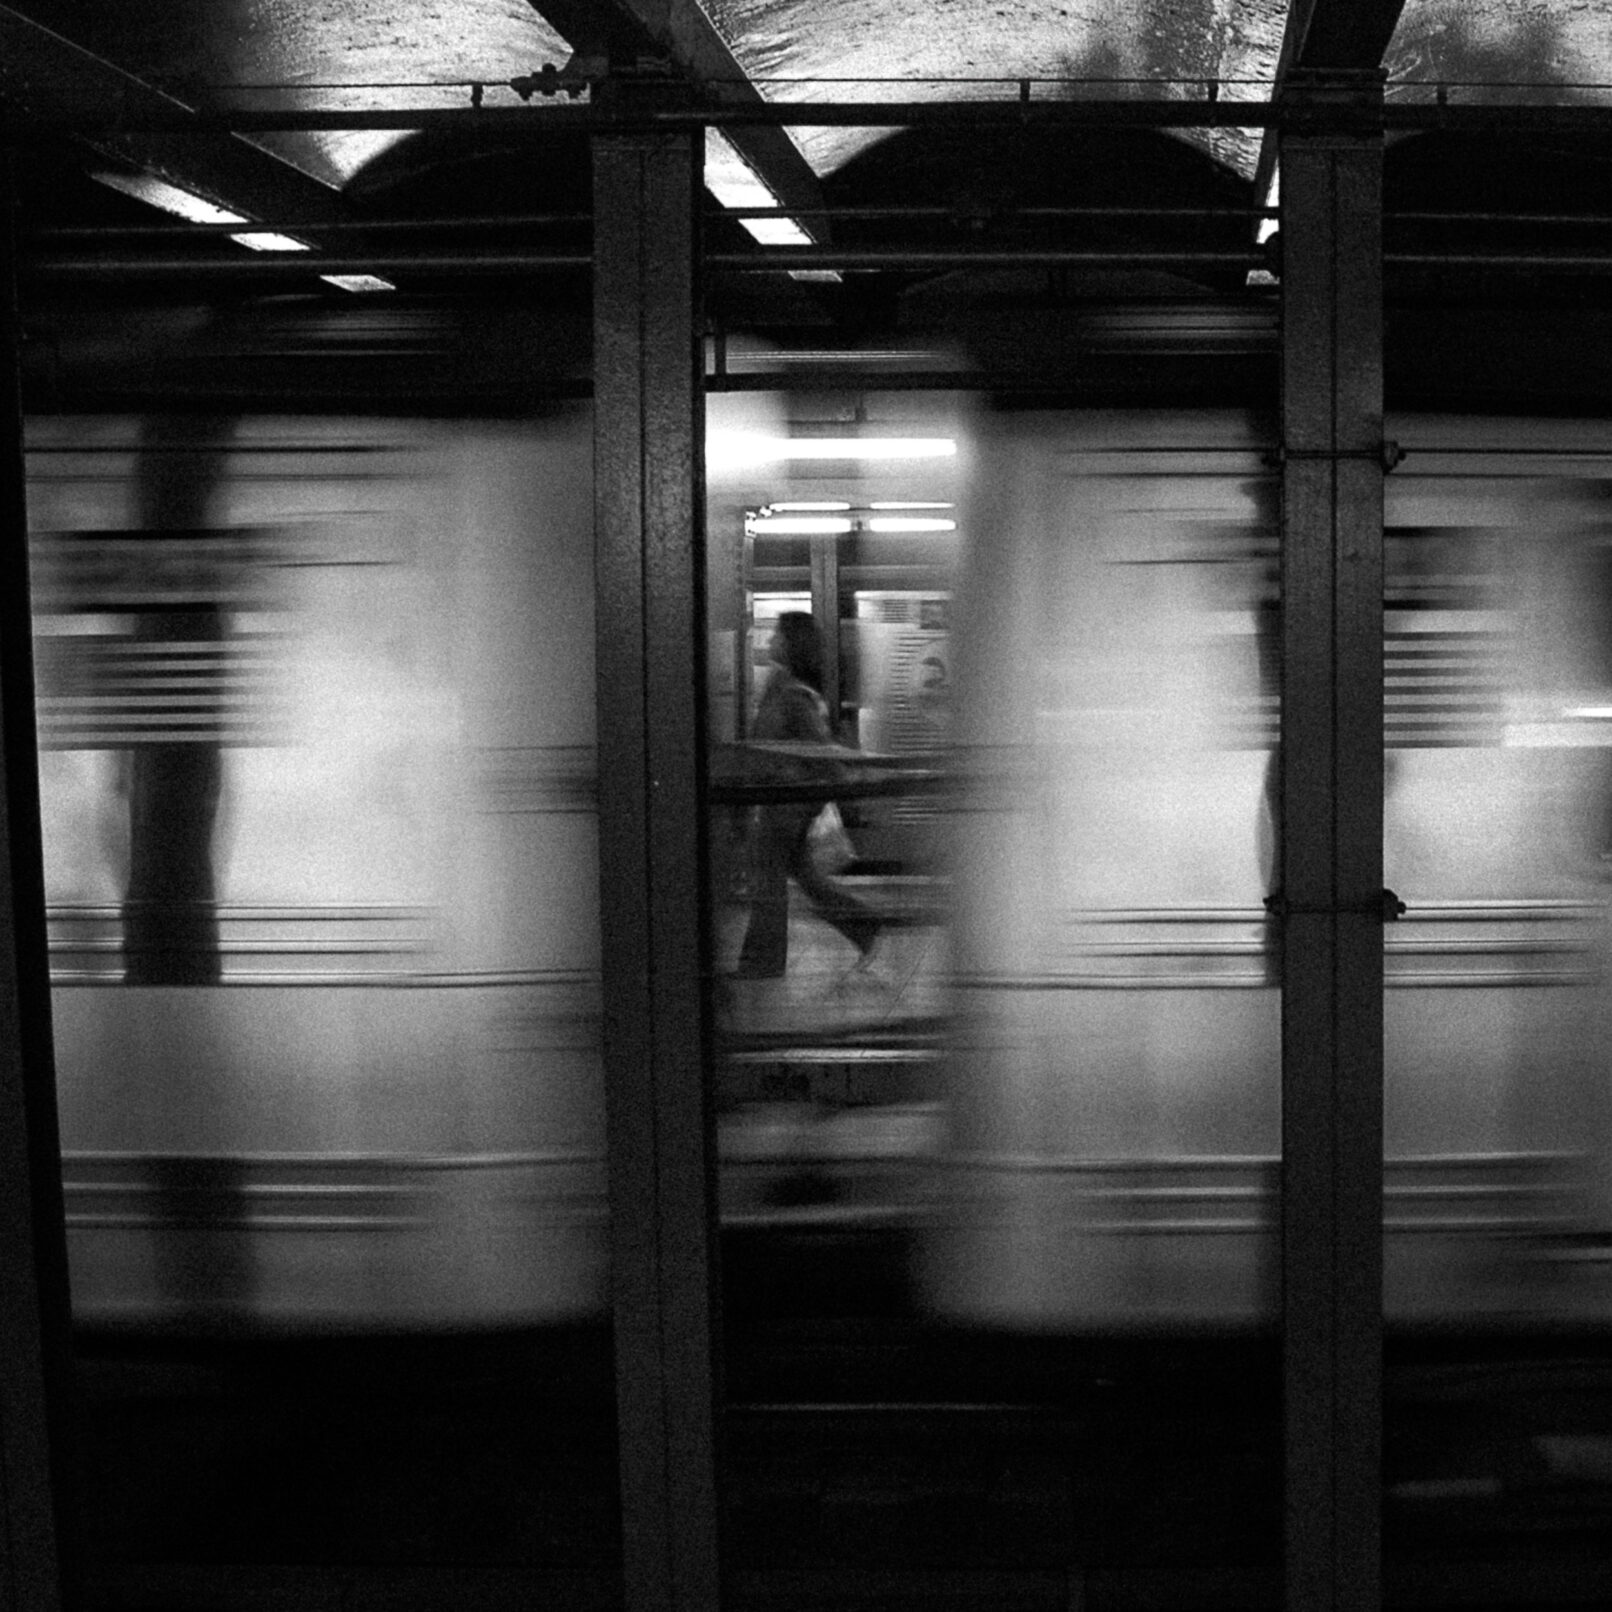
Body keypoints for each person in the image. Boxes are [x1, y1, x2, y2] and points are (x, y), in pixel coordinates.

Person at [735, 612, 882, 979]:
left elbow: (820, 749)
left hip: (786, 805)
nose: (769, 643)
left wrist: (832, 790)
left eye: (776, 637)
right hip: (782, 803)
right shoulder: (780, 687)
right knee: (805, 878)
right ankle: (863, 927)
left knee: (767, 881)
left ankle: (762, 964)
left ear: (791, 643)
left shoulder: (794, 695)